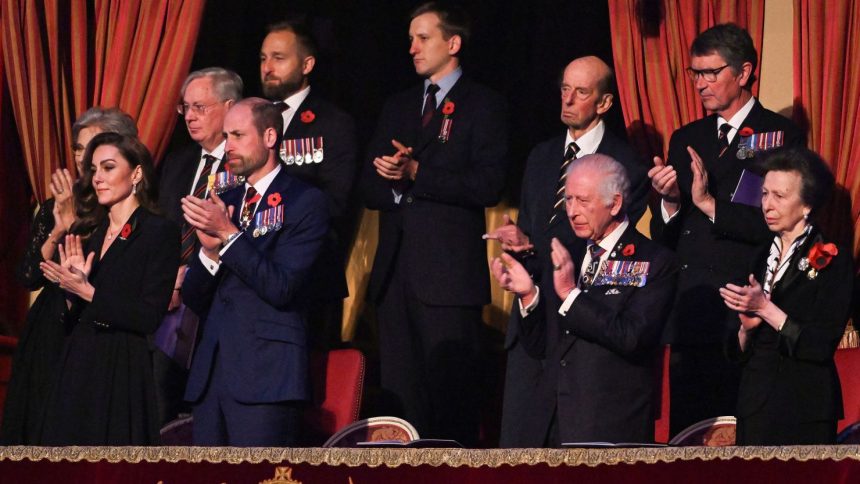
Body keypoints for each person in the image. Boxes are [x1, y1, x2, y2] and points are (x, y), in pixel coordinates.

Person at [359, 1, 508, 445]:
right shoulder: (398, 105)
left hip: (448, 279)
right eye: (410, 39)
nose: (412, 48)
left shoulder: (484, 105)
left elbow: (488, 185)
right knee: (403, 406)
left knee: (450, 403)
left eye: (423, 38)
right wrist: (392, 179)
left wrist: (419, 175)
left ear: (453, 43)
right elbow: (368, 187)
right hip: (394, 277)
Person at [482, 56, 649, 447]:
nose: (569, 99)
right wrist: (519, 244)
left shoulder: (626, 165)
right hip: (530, 322)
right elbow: (532, 229)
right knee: (519, 453)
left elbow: (608, 247)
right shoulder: (541, 156)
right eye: (564, 89)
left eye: (582, 92)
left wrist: (534, 247)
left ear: (604, 103)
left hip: (580, 333)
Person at [647, 23, 804, 435]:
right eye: (695, 73)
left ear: (745, 72)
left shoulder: (778, 135)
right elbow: (666, 236)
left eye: (711, 73)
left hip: (744, 305)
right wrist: (669, 201)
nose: (700, 84)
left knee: (741, 438)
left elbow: (778, 224)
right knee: (690, 439)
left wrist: (708, 204)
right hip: (692, 307)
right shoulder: (687, 137)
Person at [490, 154, 676, 446]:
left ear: (614, 203)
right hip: (551, 423)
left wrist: (571, 295)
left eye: (583, 201)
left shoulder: (654, 261)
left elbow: (632, 337)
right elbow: (541, 347)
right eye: (568, 200)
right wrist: (529, 296)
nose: (572, 211)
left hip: (607, 426)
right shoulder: (568, 253)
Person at [181, 98, 328, 446]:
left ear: (270, 136)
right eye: (225, 136)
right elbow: (193, 297)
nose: (228, 146)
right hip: (212, 373)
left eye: (237, 135)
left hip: (266, 375)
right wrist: (209, 251)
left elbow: (282, 287)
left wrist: (230, 236)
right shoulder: (225, 198)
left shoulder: (304, 201)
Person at [0, 108, 138, 445]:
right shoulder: (58, 205)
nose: (82, 157)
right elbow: (29, 275)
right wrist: (60, 228)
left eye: (93, 147)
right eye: (78, 148)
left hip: (95, 329)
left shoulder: (127, 208)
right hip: (49, 329)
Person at [38, 132, 179, 445]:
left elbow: (148, 316)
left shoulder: (159, 232)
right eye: (94, 169)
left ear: (137, 173)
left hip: (120, 367)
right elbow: (72, 314)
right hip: (77, 362)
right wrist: (71, 291)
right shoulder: (94, 232)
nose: (97, 178)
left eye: (108, 167)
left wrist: (88, 292)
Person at [719, 147, 852, 445]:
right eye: (765, 194)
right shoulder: (758, 256)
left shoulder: (833, 259)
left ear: (806, 205)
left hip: (805, 406)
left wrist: (766, 309)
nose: (767, 204)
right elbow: (733, 351)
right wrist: (745, 329)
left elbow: (820, 345)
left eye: (779, 196)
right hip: (755, 403)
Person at [260, 18, 358, 348]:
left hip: (307, 275)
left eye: (278, 57)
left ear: (307, 64)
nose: (268, 67)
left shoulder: (333, 123)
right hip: (251, 271)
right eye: (263, 58)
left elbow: (336, 202)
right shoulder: (251, 119)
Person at [155, 67, 243, 427]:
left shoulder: (245, 164)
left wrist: (189, 276)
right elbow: (161, 232)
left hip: (218, 302)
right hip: (168, 305)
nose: (189, 116)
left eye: (199, 107)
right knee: (159, 404)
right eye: (184, 108)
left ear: (229, 106)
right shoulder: (178, 162)